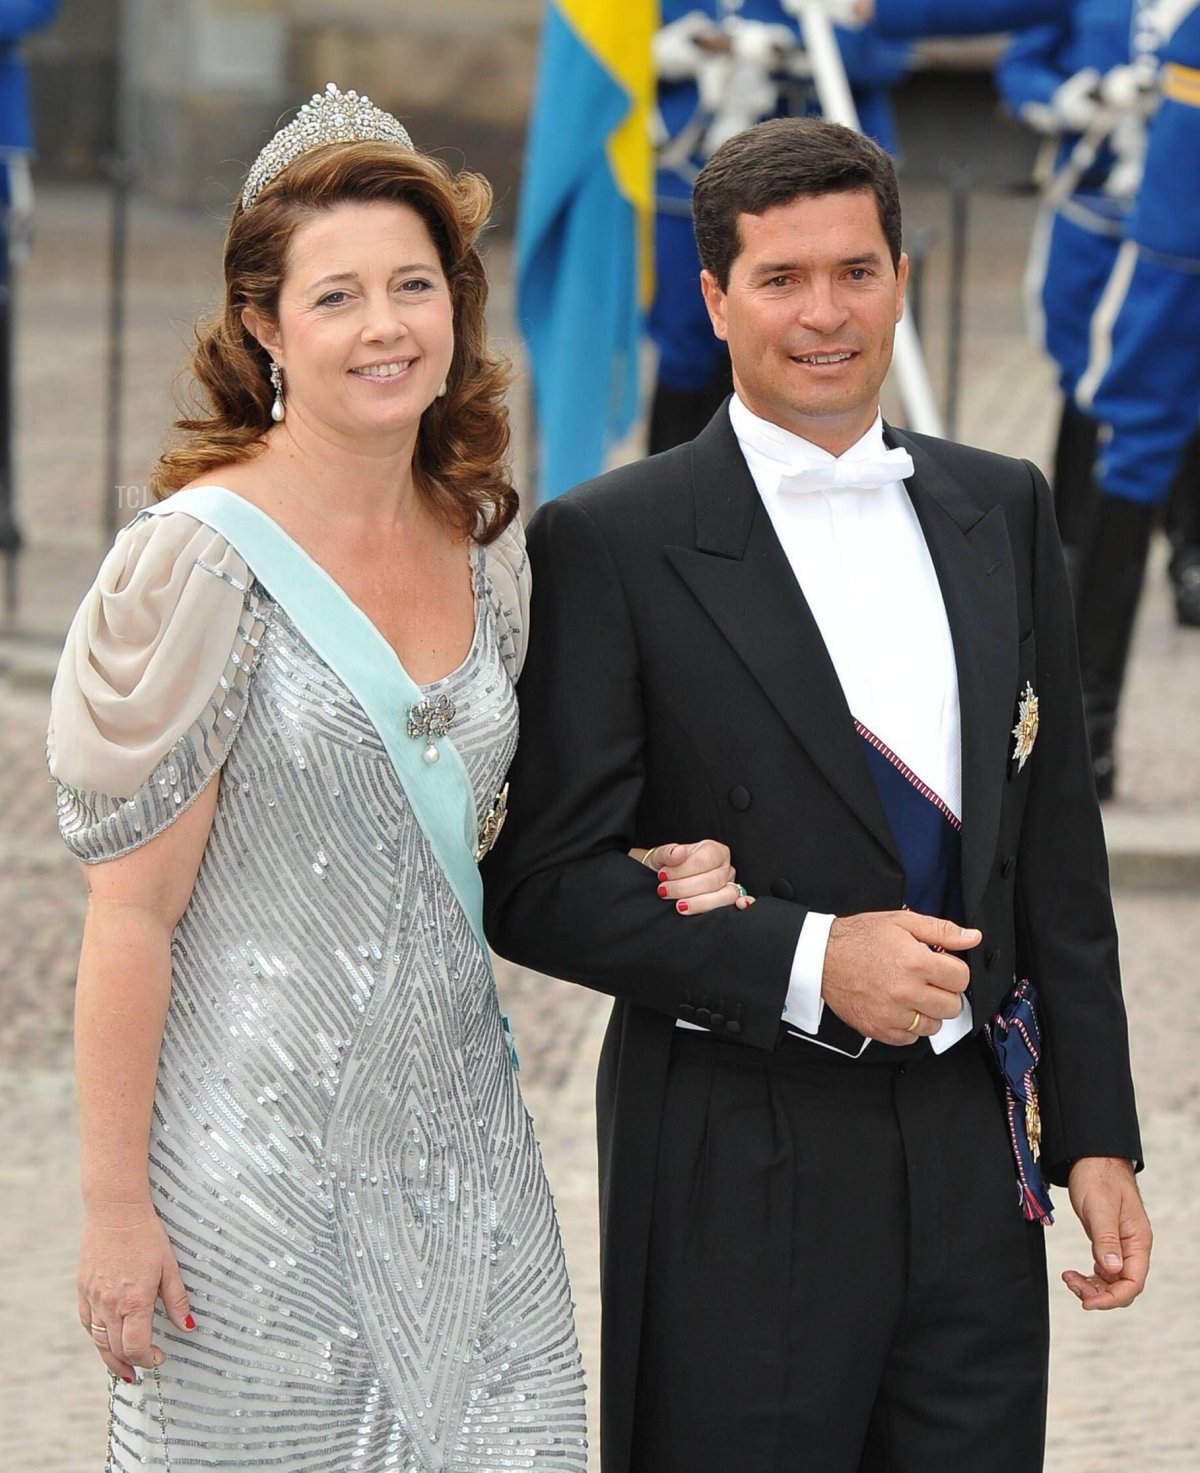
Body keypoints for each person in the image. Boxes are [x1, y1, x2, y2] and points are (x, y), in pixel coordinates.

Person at [48, 84, 744, 1470]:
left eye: (414, 286)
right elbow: (132, 916)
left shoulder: (484, 543)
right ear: (264, 328)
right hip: (246, 1182)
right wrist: (113, 1205)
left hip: (464, 1164)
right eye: (339, 296)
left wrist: (667, 861)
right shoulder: (197, 563)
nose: (385, 328)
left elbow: (496, 837)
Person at [484, 117, 1151, 1473]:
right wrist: (808, 956)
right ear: (716, 299)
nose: (826, 314)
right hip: (741, 1148)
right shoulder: (613, 538)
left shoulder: (1003, 505)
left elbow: (1059, 858)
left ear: (902, 274)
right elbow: (543, 882)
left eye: (857, 271)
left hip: (977, 1152)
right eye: (782, 279)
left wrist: (1097, 1132)